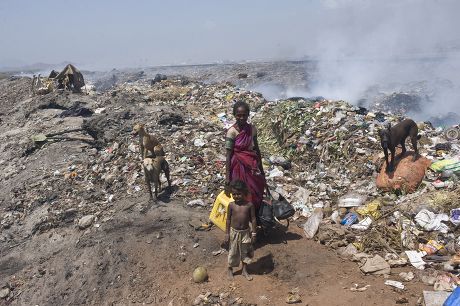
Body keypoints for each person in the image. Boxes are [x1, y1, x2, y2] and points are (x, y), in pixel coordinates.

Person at [225, 101, 266, 212]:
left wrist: (261, 170)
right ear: (235, 115)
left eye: (244, 115)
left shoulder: (252, 129)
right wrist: (227, 178)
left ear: (248, 115)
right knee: (240, 193)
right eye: (239, 115)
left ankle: (253, 217)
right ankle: (241, 219)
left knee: (255, 190)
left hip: (250, 165)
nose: (242, 118)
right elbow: (228, 156)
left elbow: (257, 150)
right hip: (237, 165)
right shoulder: (231, 132)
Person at [224, 180, 257, 281]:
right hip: (234, 233)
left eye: (239, 194)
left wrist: (254, 233)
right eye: (234, 194)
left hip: (245, 233)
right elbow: (228, 219)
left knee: (245, 252)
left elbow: (253, 219)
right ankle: (230, 269)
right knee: (232, 251)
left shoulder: (249, 205)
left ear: (244, 193)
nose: (236, 196)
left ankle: (244, 270)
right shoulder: (231, 205)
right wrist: (227, 233)